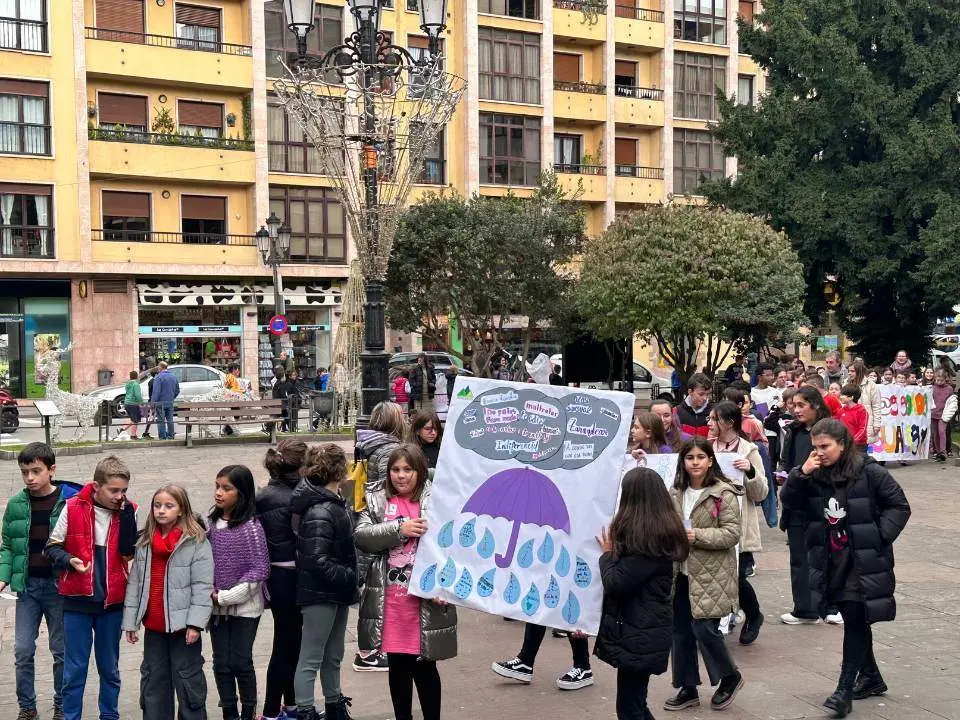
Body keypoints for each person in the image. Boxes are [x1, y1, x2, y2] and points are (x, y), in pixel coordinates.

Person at [781, 419, 911, 717]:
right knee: (855, 617)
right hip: (829, 559)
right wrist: (801, 473)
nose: (819, 453)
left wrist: (878, 535)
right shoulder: (812, 474)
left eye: (825, 447)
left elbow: (899, 506)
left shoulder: (869, 471)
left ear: (843, 444)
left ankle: (843, 691)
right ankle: (872, 678)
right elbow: (789, 501)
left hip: (862, 560)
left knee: (854, 618)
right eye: (815, 447)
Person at [355, 445, 457, 720]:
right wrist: (399, 529)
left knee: (425, 666)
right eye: (395, 470)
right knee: (398, 666)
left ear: (419, 472)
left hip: (424, 602)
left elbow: (452, 547)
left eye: (407, 470)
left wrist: (443, 585)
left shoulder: (437, 500)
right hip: (389, 602)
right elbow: (362, 536)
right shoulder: (378, 499)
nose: (401, 476)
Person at [45, 456, 138, 720]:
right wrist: (69, 560)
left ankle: (109, 715)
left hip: (112, 603)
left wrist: (127, 516)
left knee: (110, 668)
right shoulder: (72, 507)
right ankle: (70, 716)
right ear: (96, 486)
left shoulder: (129, 510)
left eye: (124, 491)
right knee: (74, 669)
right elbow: (51, 548)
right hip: (77, 601)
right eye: (114, 490)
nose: (120, 497)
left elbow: (128, 554)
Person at [594, 467, 689, 720]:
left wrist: (606, 556)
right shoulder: (654, 533)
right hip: (640, 629)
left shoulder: (649, 541)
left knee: (630, 709)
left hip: (640, 633)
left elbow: (617, 582)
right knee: (635, 704)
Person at [0, 443, 81, 720]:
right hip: (28, 588)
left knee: (61, 650)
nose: (30, 478)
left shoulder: (69, 503)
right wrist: (3, 576)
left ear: (52, 470)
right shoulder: (16, 504)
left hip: (59, 588)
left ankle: (61, 705)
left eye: (36, 471)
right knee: (22, 650)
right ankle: (27, 707)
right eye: (25, 472)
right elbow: (8, 545)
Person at [665, 438, 744, 712]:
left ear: (710, 460)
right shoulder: (675, 492)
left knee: (704, 629)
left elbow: (732, 534)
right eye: (690, 458)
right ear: (683, 462)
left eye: (701, 457)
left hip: (712, 575)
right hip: (682, 573)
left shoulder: (723, 493)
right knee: (680, 632)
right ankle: (687, 688)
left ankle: (729, 676)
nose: (695, 462)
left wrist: (696, 535)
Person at [122, 485, 213, 720]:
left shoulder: (196, 542)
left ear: (182, 510)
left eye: (169, 506)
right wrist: (130, 622)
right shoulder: (145, 542)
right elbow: (135, 583)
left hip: (184, 629)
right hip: (154, 627)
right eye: (157, 505)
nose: (161, 511)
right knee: (153, 681)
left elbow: (202, 587)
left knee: (188, 681)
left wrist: (195, 624)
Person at [290, 444, 359, 720]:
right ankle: (306, 710)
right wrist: (349, 575)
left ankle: (334, 704)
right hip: (321, 593)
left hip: (334, 591)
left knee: (333, 654)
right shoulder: (321, 510)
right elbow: (317, 559)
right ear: (339, 470)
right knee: (312, 656)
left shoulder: (329, 503)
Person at [207, 465, 270, 720]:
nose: (219, 493)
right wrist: (211, 594)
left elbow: (258, 571)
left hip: (245, 607)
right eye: (217, 487)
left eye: (226, 488)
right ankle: (229, 712)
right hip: (216, 608)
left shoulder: (251, 528)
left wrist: (224, 596)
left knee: (241, 661)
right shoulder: (210, 524)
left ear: (242, 493)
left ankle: (248, 711)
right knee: (221, 663)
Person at [256, 440, 309, 720]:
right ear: (300, 467)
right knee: (288, 644)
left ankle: (290, 704)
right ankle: (271, 710)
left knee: (289, 641)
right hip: (290, 575)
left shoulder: (265, 494)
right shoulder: (298, 496)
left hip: (277, 575)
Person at [707, 402, 768, 645]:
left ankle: (754, 615)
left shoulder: (749, 450)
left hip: (738, 525)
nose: (709, 423)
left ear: (728, 422)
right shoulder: (707, 448)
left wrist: (750, 471)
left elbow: (761, 492)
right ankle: (714, 623)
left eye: (714, 419)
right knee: (712, 575)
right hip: (710, 522)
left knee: (737, 578)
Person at [779, 387, 841, 626]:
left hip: (824, 503)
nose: (795, 410)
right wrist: (786, 475)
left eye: (800, 405)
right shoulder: (793, 432)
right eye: (793, 406)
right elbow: (787, 461)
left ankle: (833, 607)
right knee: (799, 557)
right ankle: (804, 609)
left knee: (829, 556)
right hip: (798, 502)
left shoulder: (830, 430)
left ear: (814, 405)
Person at [352, 401, 407, 671]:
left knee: (374, 588)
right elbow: (391, 490)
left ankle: (372, 648)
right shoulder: (389, 450)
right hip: (383, 524)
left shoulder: (368, 444)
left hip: (370, 518)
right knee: (377, 590)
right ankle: (368, 652)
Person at [847, 359, 882, 448]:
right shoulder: (846, 384)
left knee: (861, 449)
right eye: (849, 371)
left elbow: (876, 406)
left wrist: (876, 424)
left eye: (852, 371)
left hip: (864, 422)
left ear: (859, 372)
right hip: (850, 421)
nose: (849, 373)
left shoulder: (871, 385)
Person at [930, 369, 957, 462]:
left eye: (941, 380)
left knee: (942, 432)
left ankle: (943, 451)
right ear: (935, 379)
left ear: (945, 379)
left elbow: (952, 401)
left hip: (943, 415)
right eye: (938, 380)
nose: (939, 382)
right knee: (935, 434)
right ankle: (938, 452)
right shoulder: (932, 388)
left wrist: (950, 412)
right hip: (933, 414)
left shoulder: (949, 389)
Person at [675, 373, 712, 438]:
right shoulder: (676, 412)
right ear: (690, 392)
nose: (705, 398)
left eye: (708, 394)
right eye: (701, 394)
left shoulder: (714, 412)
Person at [150, 361, 180, 441]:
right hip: (170, 402)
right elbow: (177, 390)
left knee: (160, 420)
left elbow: (156, 392)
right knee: (170, 420)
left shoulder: (158, 378)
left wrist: (152, 404)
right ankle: (171, 436)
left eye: (158, 367)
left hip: (160, 403)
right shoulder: (173, 377)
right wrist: (172, 397)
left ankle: (162, 437)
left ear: (160, 367)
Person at [836, 386, 868, 451]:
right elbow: (837, 426)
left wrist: (853, 441)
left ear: (851, 397)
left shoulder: (861, 410)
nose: (840, 396)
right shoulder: (841, 411)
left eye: (843, 395)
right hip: (845, 444)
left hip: (859, 445)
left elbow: (863, 429)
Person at [223, 364, 243, 436]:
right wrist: (242, 391)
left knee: (236, 415)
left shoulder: (231, 377)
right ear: (234, 370)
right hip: (231, 400)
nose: (239, 371)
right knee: (236, 415)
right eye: (237, 369)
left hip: (232, 399)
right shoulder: (230, 377)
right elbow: (229, 388)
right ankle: (228, 430)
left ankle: (227, 430)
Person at [141, 367, 160, 440]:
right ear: (156, 374)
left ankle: (146, 432)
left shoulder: (151, 381)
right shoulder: (154, 381)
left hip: (151, 401)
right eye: (159, 373)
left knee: (152, 418)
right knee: (152, 417)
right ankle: (145, 433)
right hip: (154, 401)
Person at [123, 370, 142, 440]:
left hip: (127, 403)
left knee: (132, 419)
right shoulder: (136, 384)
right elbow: (138, 395)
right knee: (135, 420)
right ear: (137, 376)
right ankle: (133, 435)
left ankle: (122, 429)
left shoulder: (127, 384)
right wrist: (141, 402)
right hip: (133, 403)